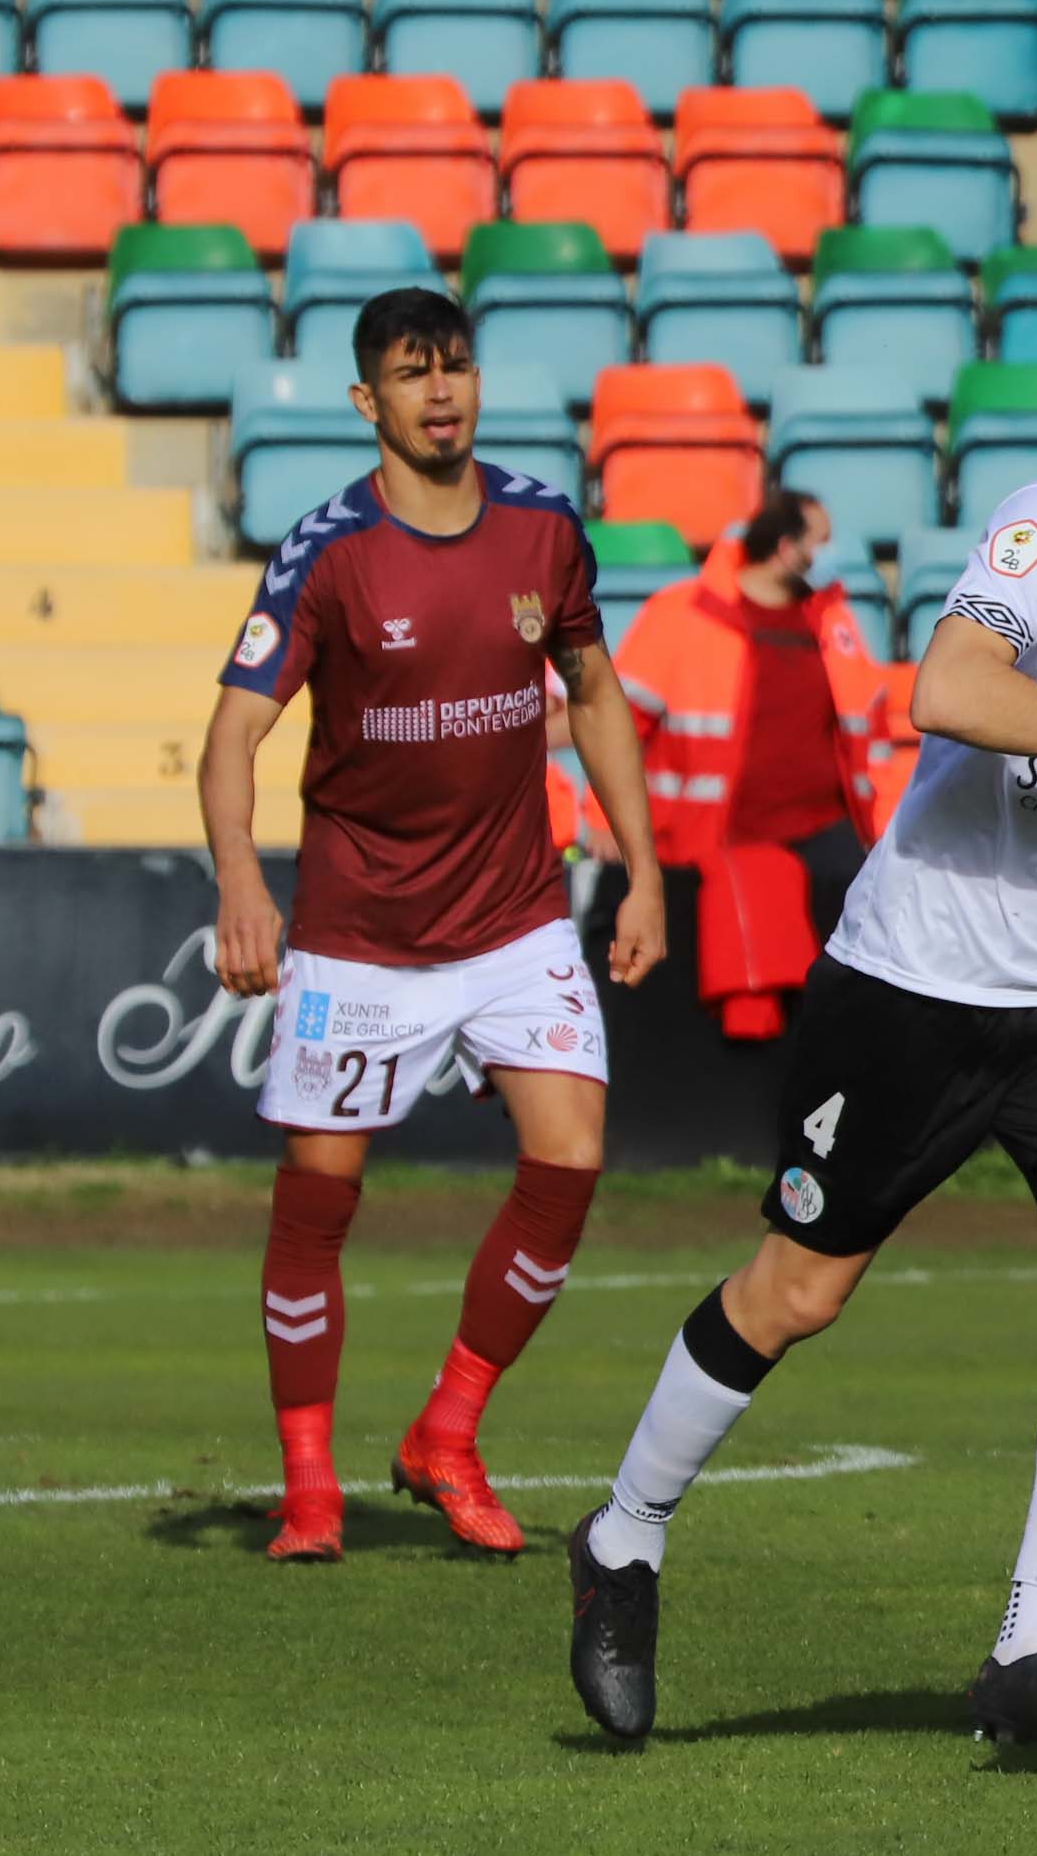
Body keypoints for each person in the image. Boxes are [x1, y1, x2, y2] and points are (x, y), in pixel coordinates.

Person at [564, 303, 1037, 1756]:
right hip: (917, 974)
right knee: (797, 1293)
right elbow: (944, 689)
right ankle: (625, 1532)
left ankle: (1034, 1648)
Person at [199, 286, 669, 1564]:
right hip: (361, 933)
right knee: (319, 1198)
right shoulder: (327, 551)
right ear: (369, 400)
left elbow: (594, 691)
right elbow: (234, 732)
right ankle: (309, 1485)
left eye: (455, 365)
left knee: (570, 1159)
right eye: (413, 373)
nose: (442, 390)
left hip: (515, 916)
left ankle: (446, 1432)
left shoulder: (543, 525)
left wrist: (642, 868)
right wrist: (242, 884)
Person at [602, 490, 902, 1033]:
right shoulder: (682, 612)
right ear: (787, 548)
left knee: (845, 991)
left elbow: (870, 728)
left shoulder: (832, 619)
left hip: (825, 831)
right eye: (823, 541)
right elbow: (617, 727)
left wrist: (881, 826)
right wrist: (604, 820)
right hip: (713, 833)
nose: (833, 553)